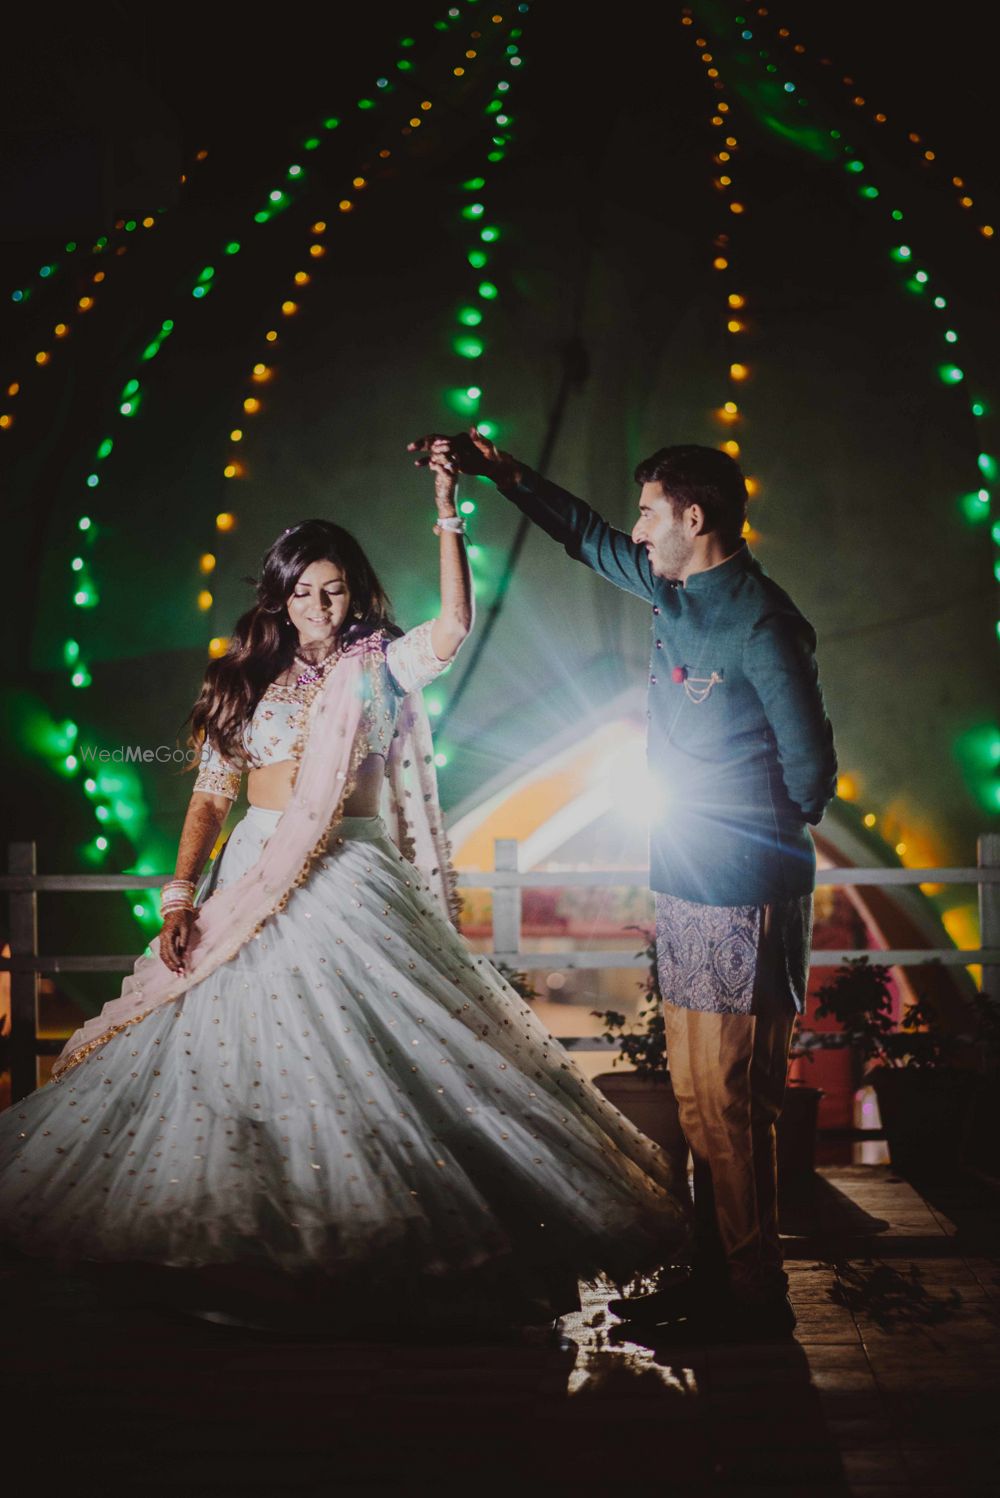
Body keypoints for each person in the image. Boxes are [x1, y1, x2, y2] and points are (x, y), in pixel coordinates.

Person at [0, 450, 689, 1334]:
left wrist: (447, 508)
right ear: (277, 598)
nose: (319, 608)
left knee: (388, 1062)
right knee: (228, 1061)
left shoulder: (377, 666)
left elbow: (452, 628)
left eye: (333, 591)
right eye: (302, 593)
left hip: (353, 876)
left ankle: (379, 1270)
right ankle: (243, 1260)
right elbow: (210, 795)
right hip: (254, 872)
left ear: (352, 591)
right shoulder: (238, 680)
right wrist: (179, 898)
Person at [408, 428, 838, 1338]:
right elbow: (583, 533)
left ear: (695, 515)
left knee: (730, 1098)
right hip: (681, 884)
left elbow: (812, 776)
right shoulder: (669, 588)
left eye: (651, 513)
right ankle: (717, 1273)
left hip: (743, 891)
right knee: (692, 1097)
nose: (636, 531)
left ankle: (753, 1296)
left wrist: (752, 851)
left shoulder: (762, 621)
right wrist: (499, 470)